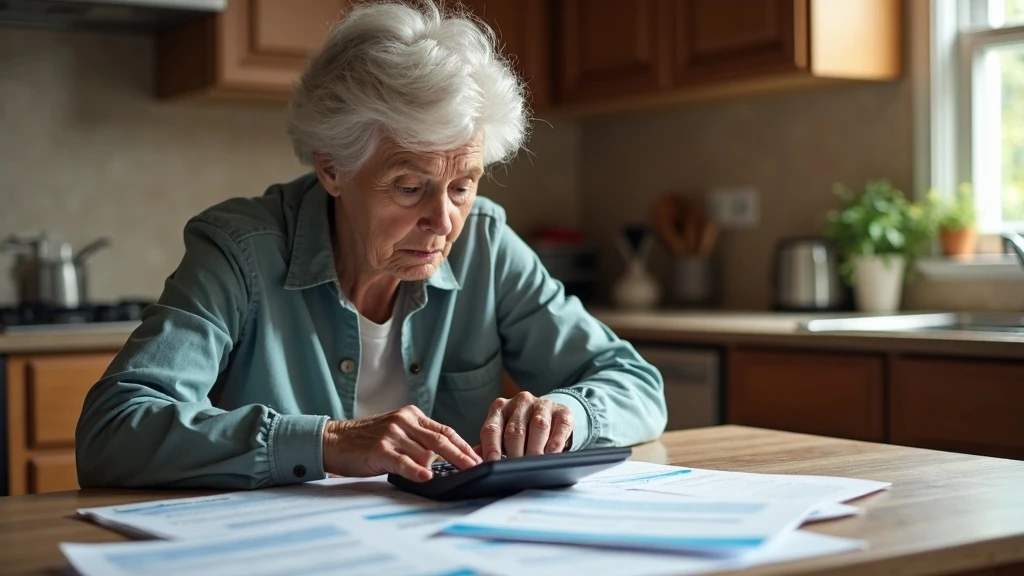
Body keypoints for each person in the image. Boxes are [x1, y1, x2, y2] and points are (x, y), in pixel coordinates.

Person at [75, 0, 666, 489]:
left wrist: (568, 415)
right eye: (409, 187)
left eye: (462, 186)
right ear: (332, 169)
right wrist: (327, 441)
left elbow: (635, 382)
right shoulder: (240, 251)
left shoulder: (484, 242)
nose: (443, 221)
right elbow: (113, 431)